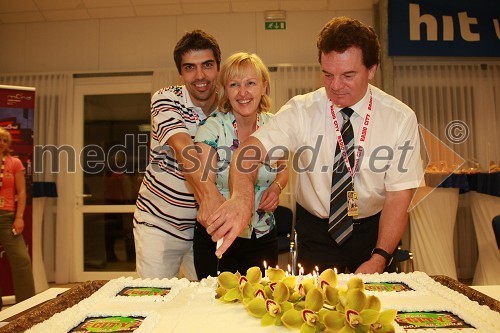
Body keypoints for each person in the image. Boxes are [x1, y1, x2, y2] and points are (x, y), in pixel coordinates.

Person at [202, 17, 423, 275]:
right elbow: (248, 152)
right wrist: (241, 197)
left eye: (348, 75)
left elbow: (398, 197)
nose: (336, 86)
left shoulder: (399, 117)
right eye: (328, 75)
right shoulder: (302, 110)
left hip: (373, 234)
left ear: (371, 69)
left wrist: (380, 257)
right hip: (316, 235)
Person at [133, 30, 225, 280]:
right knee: (154, 301)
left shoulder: (229, 106)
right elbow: (185, 150)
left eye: (207, 65)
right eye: (190, 68)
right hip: (159, 224)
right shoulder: (165, 99)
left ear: (218, 66)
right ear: (181, 73)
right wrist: (213, 197)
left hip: (204, 229)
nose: (200, 76)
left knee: (206, 305)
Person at [193, 52, 288, 278]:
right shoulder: (212, 128)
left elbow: (283, 170)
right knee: (216, 309)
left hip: (263, 234)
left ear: (264, 86)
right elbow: (203, 180)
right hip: (219, 236)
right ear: (226, 90)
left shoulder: (275, 126)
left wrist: (276, 188)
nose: (243, 92)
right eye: (234, 84)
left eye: (251, 83)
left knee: (259, 305)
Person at [0, 127, 35, 303]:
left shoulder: (14, 162)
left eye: (5, 140)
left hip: (7, 217)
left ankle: (26, 306)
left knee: (22, 261)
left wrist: (19, 217)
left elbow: (21, 192)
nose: (1, 143)